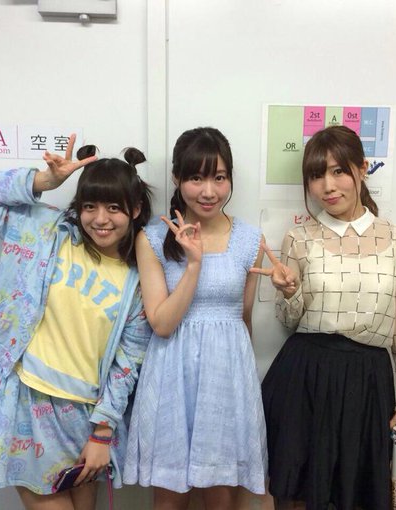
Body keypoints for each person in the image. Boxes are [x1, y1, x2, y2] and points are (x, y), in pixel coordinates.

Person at [0, 134, 153, 510]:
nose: (100, 219)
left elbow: (128, 362)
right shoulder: (45, 232)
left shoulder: (138, 279)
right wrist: (46, 181)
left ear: (136, 209)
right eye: (90, 206)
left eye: (114, 208)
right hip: (25, 398)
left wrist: (102, 432)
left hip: (84, 414)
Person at [253, 125, 396, 510]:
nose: (327, 186)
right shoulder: (300, 238)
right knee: (294, 493)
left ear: (362, 169)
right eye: (316, 176)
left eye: (339, 171)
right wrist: (290, 292)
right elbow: (289, 321)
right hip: (305, 378)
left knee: (357, 494)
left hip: (367, 381)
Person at [123, 127, 268, 509]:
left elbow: (245, 317)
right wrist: (193, 265)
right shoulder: (153, 239)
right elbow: (161, 323)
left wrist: (243, 386)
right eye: (196, 178)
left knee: (221, 497)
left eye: (219, 178)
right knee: (169, 499)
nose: (208, 191)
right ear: (177, 178)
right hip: (172, 374)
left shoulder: (250, 240)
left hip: (227, 378)